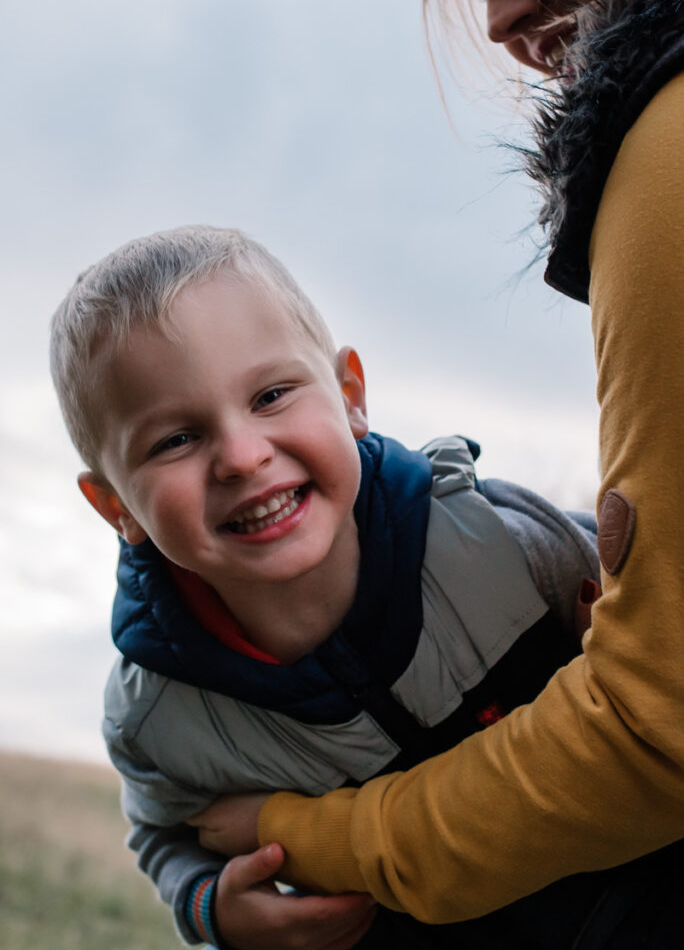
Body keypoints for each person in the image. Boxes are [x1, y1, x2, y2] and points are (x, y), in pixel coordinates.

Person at [191, 0, 684, 945]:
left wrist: (306, 835)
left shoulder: (666, 140)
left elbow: (656, 731)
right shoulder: (159, 683)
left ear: (351, 391)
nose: (499, 16)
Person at [50, 225, 610, 949]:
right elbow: (161, 832)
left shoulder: (496, 545)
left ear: (350, 396)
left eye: (272, 394)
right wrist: (208, 906)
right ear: (117, 506)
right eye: (175, 440)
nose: (243, 457)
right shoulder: (161, 713)